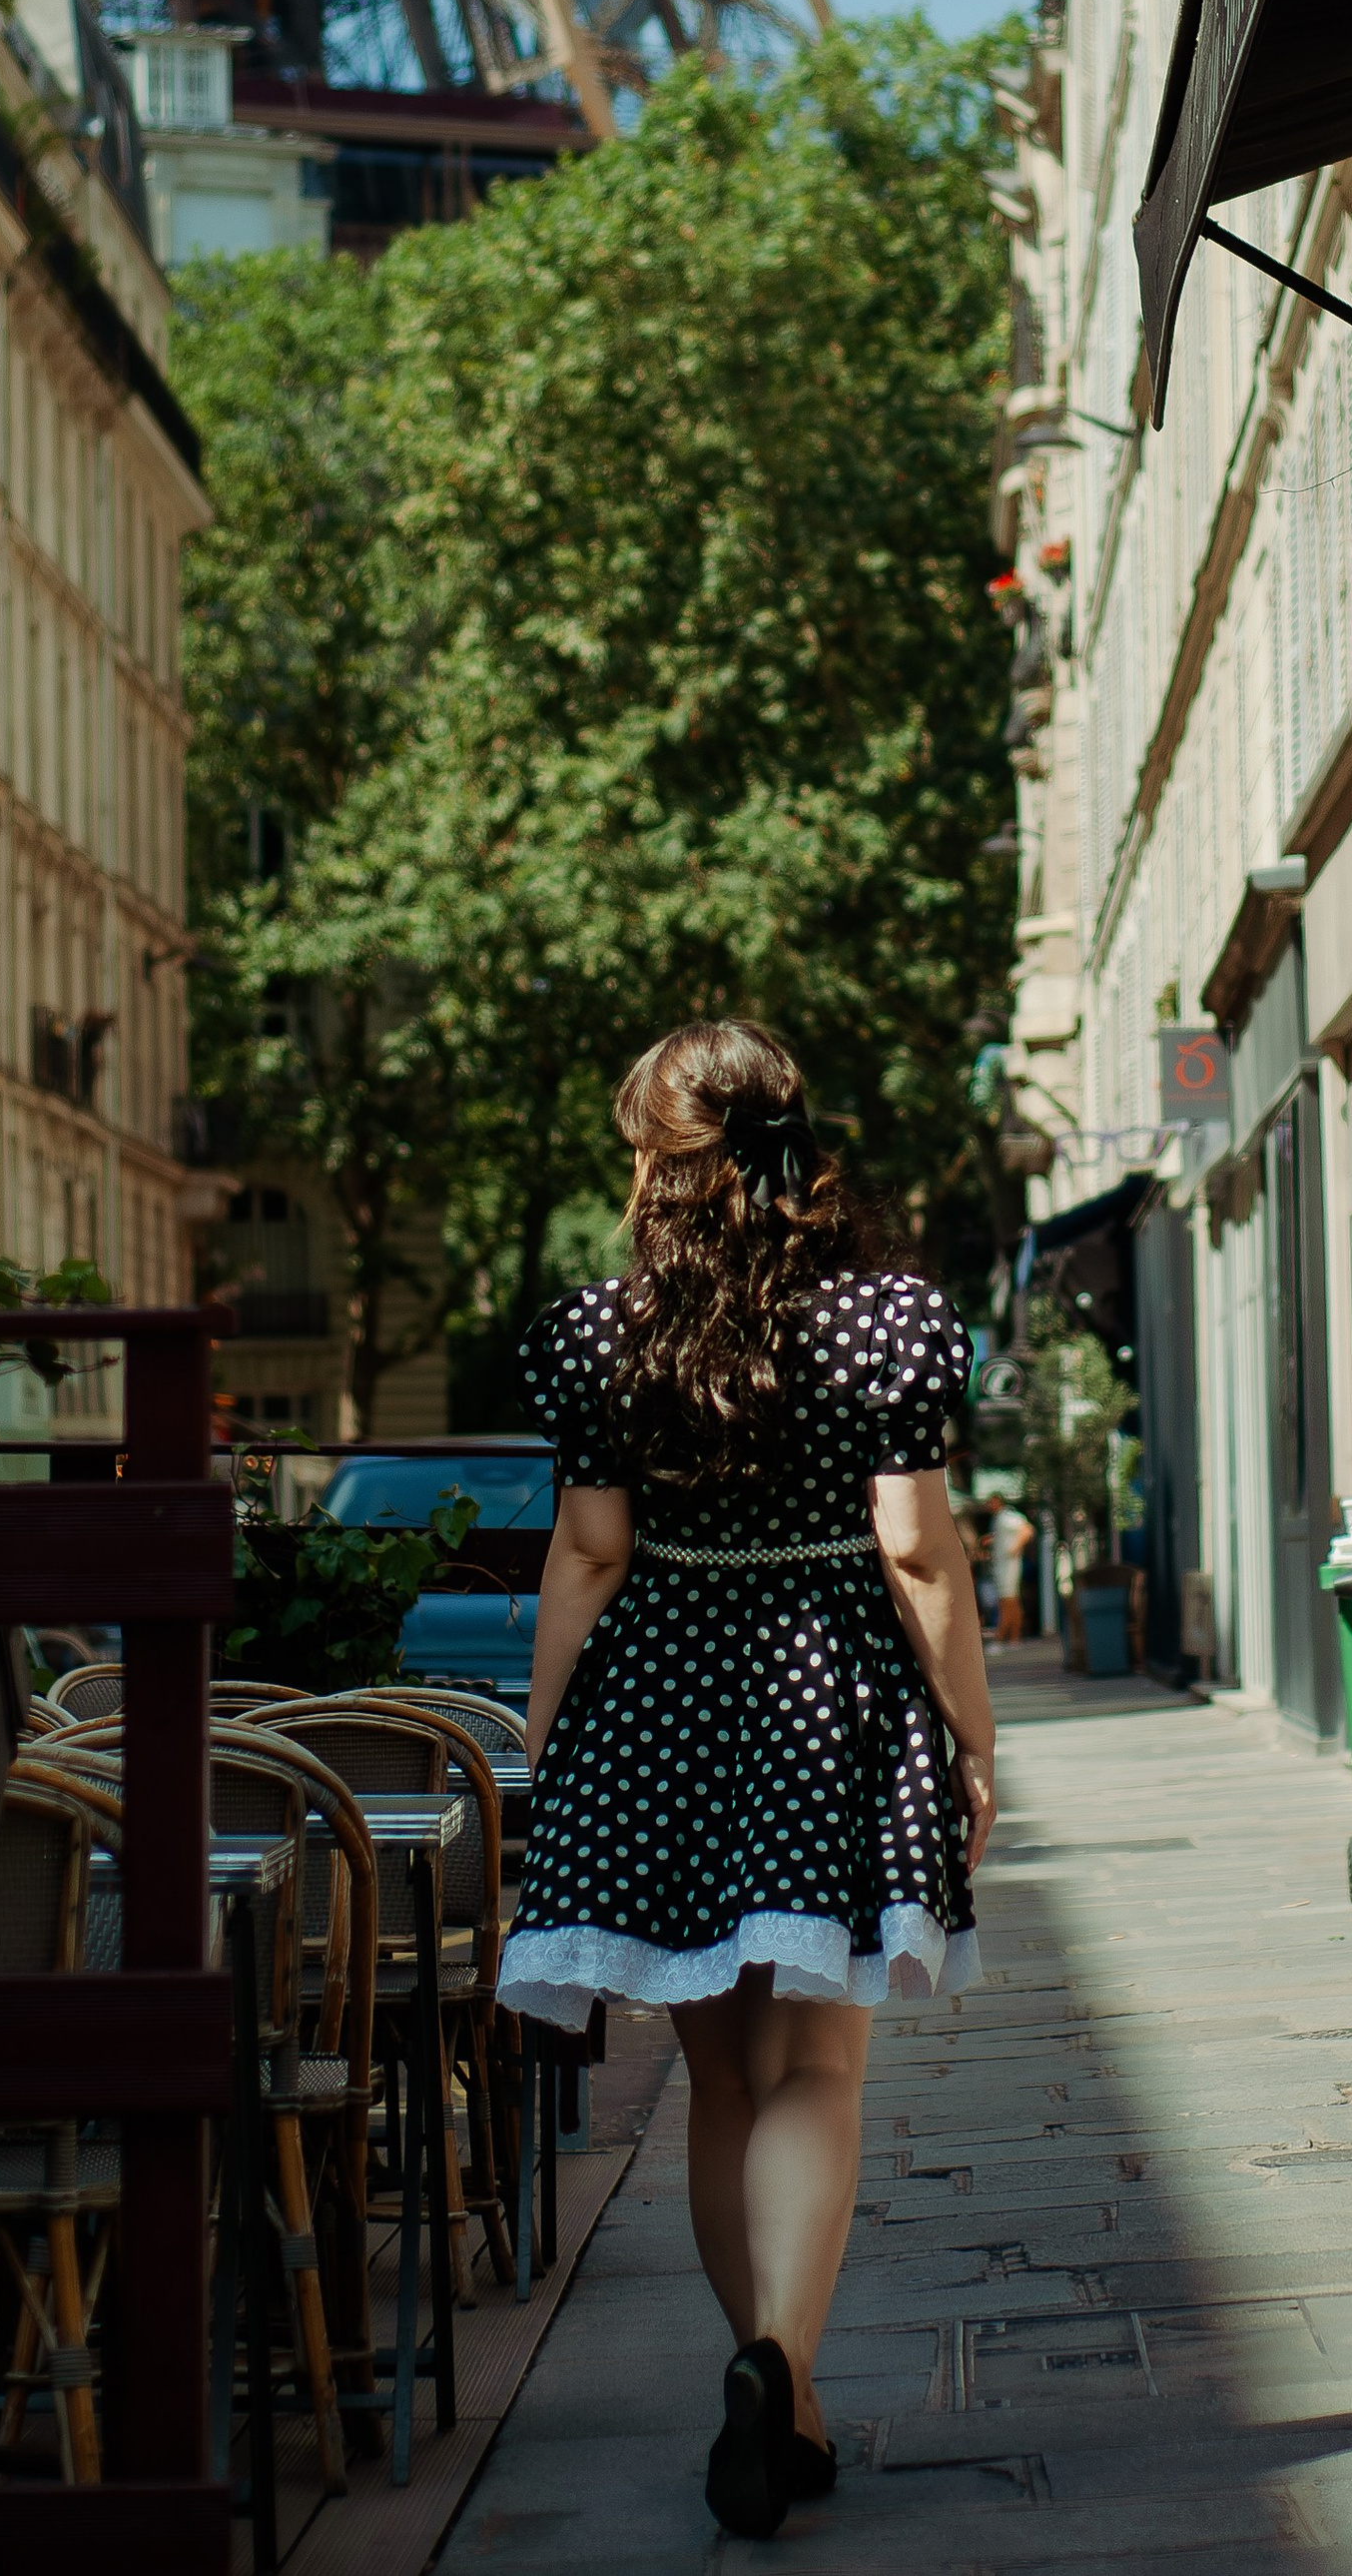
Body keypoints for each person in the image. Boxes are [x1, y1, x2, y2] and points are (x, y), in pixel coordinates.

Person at [500, 1019, 996, 2539]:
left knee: (722, 2076)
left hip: (657, 1699)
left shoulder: (598, 1330)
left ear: (658, 1158)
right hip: (824, 1690)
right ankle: (781, 2365)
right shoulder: (885, 1318)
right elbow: (916, 1546)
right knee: (820, 2068)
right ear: (796, 1142)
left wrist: (544, 1729)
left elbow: (591, 1549)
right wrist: (972, 1733)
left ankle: (772, 2379)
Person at [989, 1494, 1036, 1644]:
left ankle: (1006, 1636)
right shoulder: (998, 1519)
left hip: (1009, 1566)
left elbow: (1027, 1529)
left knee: (1009, 1600)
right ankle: (1011, 1637)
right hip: (1003, 1565)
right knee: (1007, 1600)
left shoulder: (1006, 1516)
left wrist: (1015, 1548)